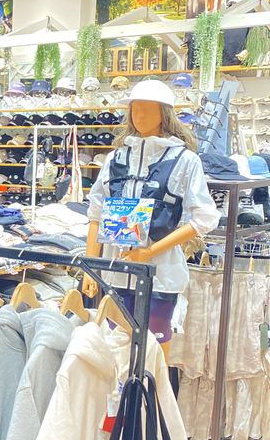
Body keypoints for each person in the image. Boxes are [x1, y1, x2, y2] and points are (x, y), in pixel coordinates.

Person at [83, 79, 219, 354]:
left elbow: (204, 218)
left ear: (164, 113)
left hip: (161, 275)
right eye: (135, 109)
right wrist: (91, 267)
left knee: (155, 350)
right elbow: (96, 214)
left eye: (147, 109)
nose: (140, 115)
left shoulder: (185, 160)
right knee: (116, 348)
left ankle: (154, 386)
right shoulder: (116, 158)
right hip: (116, 273)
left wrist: (149, 252)